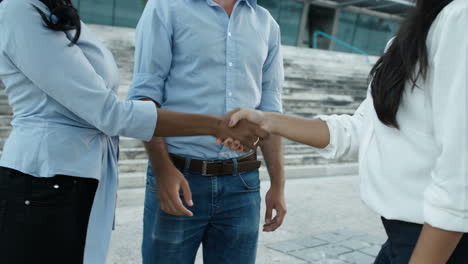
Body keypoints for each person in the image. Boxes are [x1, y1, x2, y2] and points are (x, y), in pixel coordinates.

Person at [0, 0, 267, 263]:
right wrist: (215, 125)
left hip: (76, 174)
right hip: (43, 176)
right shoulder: (20, 9)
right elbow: (109, 112)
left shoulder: (55, 10)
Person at [225, 0, 468, 263]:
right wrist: (265, 120)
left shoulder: (460, 16)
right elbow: (361, 130)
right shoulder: (415, 32)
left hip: (438, 243)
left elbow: (459, 173)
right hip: (403, 239)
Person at [127, 0, 286, 263]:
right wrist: (162, 170)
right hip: (178, 175)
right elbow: (145, 96)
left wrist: (278, 185)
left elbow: (272, 111)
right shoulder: (165, 7)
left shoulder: (267, 23)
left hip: (243, 184)